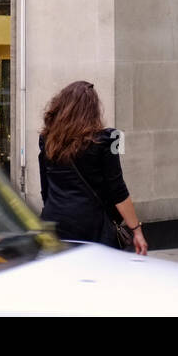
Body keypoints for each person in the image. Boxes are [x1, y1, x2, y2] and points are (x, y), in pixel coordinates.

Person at [38, 81, 148, 254]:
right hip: (91, 227)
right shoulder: (106, 140)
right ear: (92, 110)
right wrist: (137, 230)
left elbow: (45, 189)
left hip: (54, 223)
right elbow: (118, 190)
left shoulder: (47, 140)